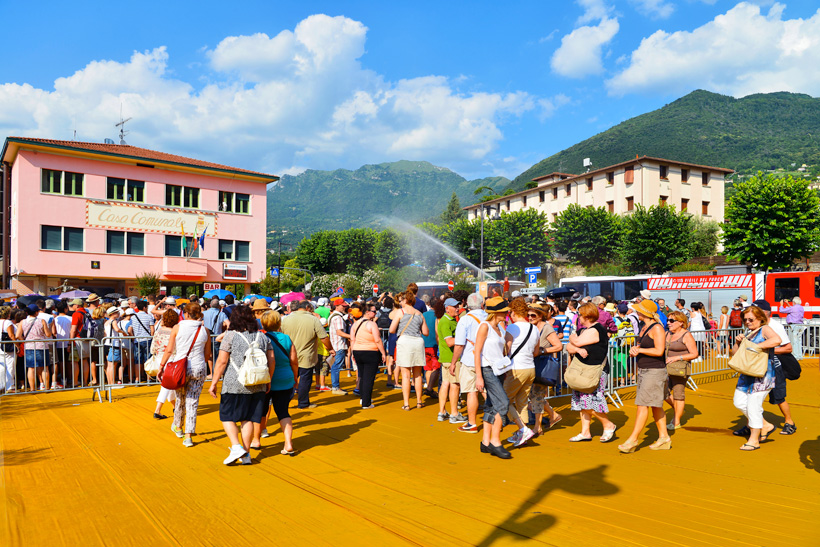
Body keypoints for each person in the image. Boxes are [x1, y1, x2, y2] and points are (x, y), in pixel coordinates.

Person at [208, 304, 274, 464]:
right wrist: (268, 380)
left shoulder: (230, 336)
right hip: (257, 383)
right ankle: (246, 454)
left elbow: (222, 361)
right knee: (248, 419)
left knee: (226, 416)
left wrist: (214, 382)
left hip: (234, 383)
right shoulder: (262, 336)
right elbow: (271, 360)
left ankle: (236, 446)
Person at [619, 300, 671, 453]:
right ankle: (664, 437)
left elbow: (659, 351)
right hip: (644, 370)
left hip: (654, 371)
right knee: (656, 405)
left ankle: (633, 439)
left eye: (638, 310)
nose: (635, 312)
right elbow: (647, 347)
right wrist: (637, 348)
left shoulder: (657, 328)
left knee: (642, 405)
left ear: (645, 313)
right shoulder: (645, 327)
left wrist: (639, 351)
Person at [158, 302, 212, 448]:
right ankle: (188, 435)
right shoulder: (205, 330)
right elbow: (207, 354)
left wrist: (162, 366)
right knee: (192, 401)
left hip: (180, 367)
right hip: (199, 367)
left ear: (186, 314)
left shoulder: (178, 327)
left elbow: (169, 350)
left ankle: (179, 427)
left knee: (180, 399)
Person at [730, 305, 781, 450]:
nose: (747, 322)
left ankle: (754, 440)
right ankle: (765, 425)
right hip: (747, 373)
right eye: (745, 319)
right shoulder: (748, 332)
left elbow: (776, 340)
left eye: (750, 319)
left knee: (754, 406)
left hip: (762, 374)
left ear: (760, 319)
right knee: (739, 402)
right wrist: (738, 342)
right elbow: (734, 353)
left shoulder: (764, 329)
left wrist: (757, 347)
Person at [566, 303, 617, 443]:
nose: (578, 317)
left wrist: (572, 338)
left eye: (580, 315)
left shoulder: (596, 329)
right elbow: (569, 347)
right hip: (583, 370)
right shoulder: (585, 330)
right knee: (582, 401)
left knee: (592, 402)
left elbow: (574, 340)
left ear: (586, 316)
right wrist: (576, 348)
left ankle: (608, 425)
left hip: (594, 371)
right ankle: (585, 432)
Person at [747, 300, 797, 436]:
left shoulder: (775, 326)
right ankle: (753, 425)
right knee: (751, 397)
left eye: (754, 311)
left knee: (778, 397)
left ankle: (789, 422)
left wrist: (766, 350)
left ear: (763, 312)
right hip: (756, 367)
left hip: (774, 367)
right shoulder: (753, 325)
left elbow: (788, 348)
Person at [474, 297, 512, 459]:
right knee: (502, 404)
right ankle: (495, 441)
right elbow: (477, 351)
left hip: (499, 369)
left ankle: (485, 442)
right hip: (487, 369)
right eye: (505, 311)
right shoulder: (484, 326)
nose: (507, 313)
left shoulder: (500, 328)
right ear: (497, 312)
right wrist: (478, 376)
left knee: (491, 405)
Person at [257, 310, 298, 454]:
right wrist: (295, 377)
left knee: (261, 411)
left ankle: (256, 440)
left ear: (263, 323)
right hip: (285, 377)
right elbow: (294, 361)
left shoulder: (261, 338)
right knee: (283, 411)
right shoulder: (287, 338)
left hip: (266, 378)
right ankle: (288, 443)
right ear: (279, 323)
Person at [281, 300, 333, 410]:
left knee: (290, 380)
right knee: (305, 379)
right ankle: (303, 403)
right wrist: (331, 349)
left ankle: (283, 403)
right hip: (306, 356)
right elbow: (324, 337)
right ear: (308, 308)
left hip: (289, 355)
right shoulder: (313, 319)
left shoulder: (286, 319)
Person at [502, 299, 540, 448]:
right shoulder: (534, 328)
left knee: (504, 400)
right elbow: (536, 351)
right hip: (530, 367)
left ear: (513, 312)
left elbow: (506, 350)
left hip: (516, 368)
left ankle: (523, 430)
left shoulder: (512, 328)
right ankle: (523, 431)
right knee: (522, 402)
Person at [450, 293, 487, 432]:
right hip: (488, 358)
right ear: (482, 304)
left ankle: (472, 423)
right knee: (487, 390)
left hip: (470, 359)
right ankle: (497, 419)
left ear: (467, 305)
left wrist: (454, 362)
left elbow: (459, 345)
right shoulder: (489, 317)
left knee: (472, 392)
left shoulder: (465, 320)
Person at [527, 303, 563, 435]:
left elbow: (558, 346)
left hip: (541, 365)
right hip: (530, 364)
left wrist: (542, 350)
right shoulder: (530, 326)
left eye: (533, 315)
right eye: (528, 315)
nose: (530, 317)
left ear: (541, 315)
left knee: (537, 395)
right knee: (533, 396)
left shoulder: (546, 327)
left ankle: (538, 427)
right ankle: (553, 415)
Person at [390, 291, 429, 410]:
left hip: (405, 341)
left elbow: (392, 329)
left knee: (406, 375)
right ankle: (419, 401)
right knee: (417, 374)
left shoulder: (400, 312)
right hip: (417, 341)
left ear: (406, 300)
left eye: (401, 300)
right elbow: (426, 332)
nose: (399, 302)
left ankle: (406, 403)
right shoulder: (419, 314)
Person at [663, 311, 698, 430]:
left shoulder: (686, 335)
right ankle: (679, 410)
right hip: (666, 368)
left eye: (672, 321)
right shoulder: (667, 333)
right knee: (663, 392)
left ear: (681, 323)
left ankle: (676, 421)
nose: (668, 323)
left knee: (678, 394)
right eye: (668, 320)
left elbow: (694, 353)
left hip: (680, 370)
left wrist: (677, 357)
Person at [350, 302, 387, 409]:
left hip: (358, 351)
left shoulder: (355, 324)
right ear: (367, 312)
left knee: (362, 375)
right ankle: (366, 403)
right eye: (374, 311)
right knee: (369, 378)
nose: (375, 313)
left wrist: (353, 352)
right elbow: (377, 340)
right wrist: (383, 353)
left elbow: (352, 339)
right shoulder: (371, 324)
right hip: (370, 351)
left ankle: (364, 398)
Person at [435, 298, 464, 422]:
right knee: (455, 385)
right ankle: (454, 414)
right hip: (451, 358)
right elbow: (449, 342)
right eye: (454, 306)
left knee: (446, 384)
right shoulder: (447, 322)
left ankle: (442, 412)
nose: (457, 308)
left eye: (458, 305)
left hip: (446, 358)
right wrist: (464, 337)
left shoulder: (448, 320)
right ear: (447, 308)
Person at [151, 309, 179, 420]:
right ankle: (157, 410)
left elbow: (153, 347)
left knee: (167, 384)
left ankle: (175, 406)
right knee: (166, 385)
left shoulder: (158, 331)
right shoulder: (176, 331)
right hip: (171, 359)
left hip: (159, 358)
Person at [21, 304, 53, 391]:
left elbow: (17, 335)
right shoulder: (42, 321)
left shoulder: (22, 322)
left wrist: (24, 340)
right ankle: (46, 387)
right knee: (44, 367)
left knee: (31, 368)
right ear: (36, 312)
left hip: (29, 346)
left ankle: (32, 388)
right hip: (41, 346)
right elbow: (48, 334)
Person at [327, 298, 351, 395]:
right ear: (337, 306)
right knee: (336, 367)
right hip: (338, 344)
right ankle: (335, 387)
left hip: (335, 344)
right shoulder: (338, 317)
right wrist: (352, 336)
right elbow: (339, 332)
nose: (344, 307)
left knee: (335, 366)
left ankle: (335, 386)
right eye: (343, 305)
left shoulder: (333, 316)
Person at [421, 302, 440, 398]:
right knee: (436, 367)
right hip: (434, 345)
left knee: (428, 368)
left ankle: (429, 387)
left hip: (424, 344)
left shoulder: (423, 314)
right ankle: (429, 388)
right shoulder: (438, 316)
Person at [0, 307, 16, 393]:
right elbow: (11, 335)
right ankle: (10, 386)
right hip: (7, 347)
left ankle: (2, 385)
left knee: (2, 367)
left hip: (0, 347)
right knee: (10, 366)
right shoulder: (7, 322)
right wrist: (17, 345)